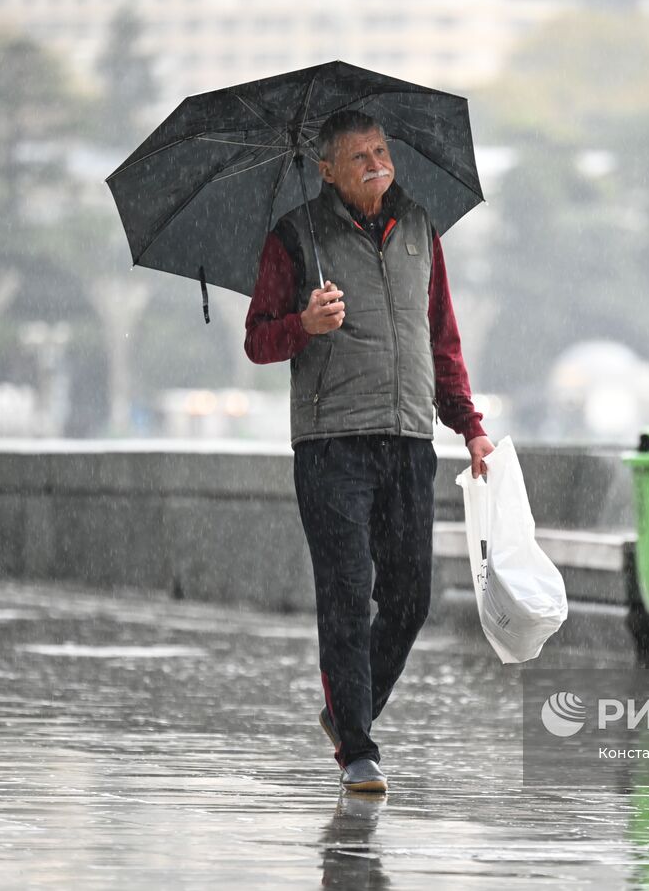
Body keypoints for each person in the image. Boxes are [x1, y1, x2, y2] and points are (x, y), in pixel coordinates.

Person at [244, 109, 493, 793]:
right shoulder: (294, 237)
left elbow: (442, 340)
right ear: (326, 168)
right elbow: (258, 339)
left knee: (411, 598)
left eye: (381, 150)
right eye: (358, 156)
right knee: (348, 596)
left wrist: (467, 424)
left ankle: (345, 710)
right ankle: (357, 744)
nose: (376, 163)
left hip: (410, 440)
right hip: (332, 445)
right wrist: (304, 322)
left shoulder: (420, 229)